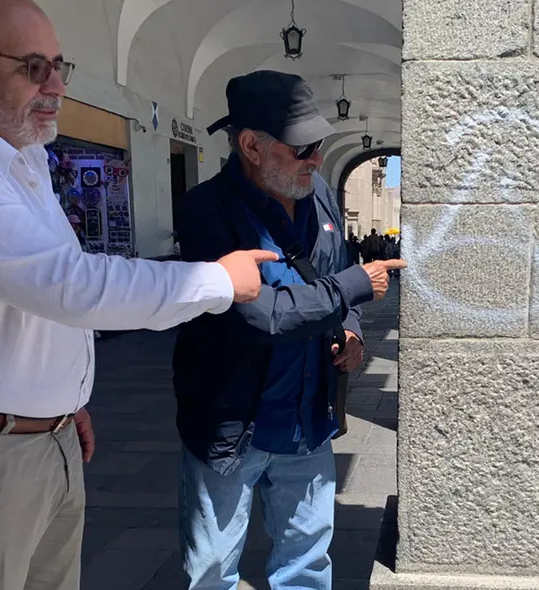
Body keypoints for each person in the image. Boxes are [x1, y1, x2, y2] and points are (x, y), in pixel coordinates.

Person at [0, 1, 274, 589]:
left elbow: (24, 290)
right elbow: (70, 284)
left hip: (34, 439)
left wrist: (61, 396)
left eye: (60, 65)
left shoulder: (19, 154)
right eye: (33, 67)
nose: (56, 86)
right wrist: (216, 281)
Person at [173, 70, 406, 590]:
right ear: (251, 145)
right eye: (304, 148)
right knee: (211, 570)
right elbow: (257, 314)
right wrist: (350, 289)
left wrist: (351, 331)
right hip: (232, 426)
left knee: (306, 564)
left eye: (320, 145)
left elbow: (335, 265)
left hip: (307, 419)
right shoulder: (205, 211)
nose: (317, 159)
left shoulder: (319, 194)